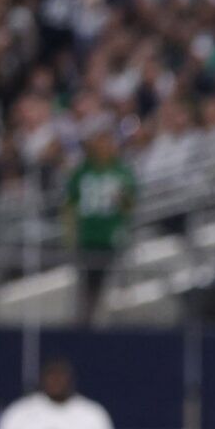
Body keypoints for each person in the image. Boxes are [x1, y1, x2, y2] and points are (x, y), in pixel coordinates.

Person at [64, 131, 139, 323]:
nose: (103, 148)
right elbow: (69, 205)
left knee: (110, 286)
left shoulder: (121, 171)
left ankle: (106, 323)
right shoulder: (83, 172)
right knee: (86, 286)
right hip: (88, 236)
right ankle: (85, 322)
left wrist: (122, 199)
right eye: (100, 143)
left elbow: (131, 205)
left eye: (107, 143)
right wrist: (70, 234)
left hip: (111, 237)